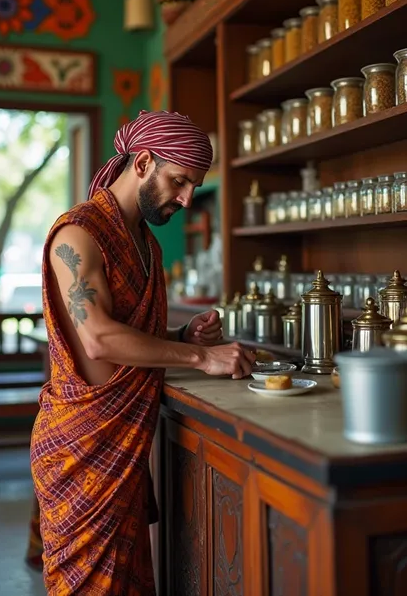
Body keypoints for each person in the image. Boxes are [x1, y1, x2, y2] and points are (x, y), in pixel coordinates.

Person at [30, 110, 255, 595]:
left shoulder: (147, 245)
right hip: (81, 448)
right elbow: (98, 338)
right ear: (142, 163)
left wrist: (180, 337)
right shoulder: (79, 234)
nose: (187, 198)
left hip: (125, 450)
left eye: (193, 185)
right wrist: (203, 359)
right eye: (179, 181)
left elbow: (130, 331)